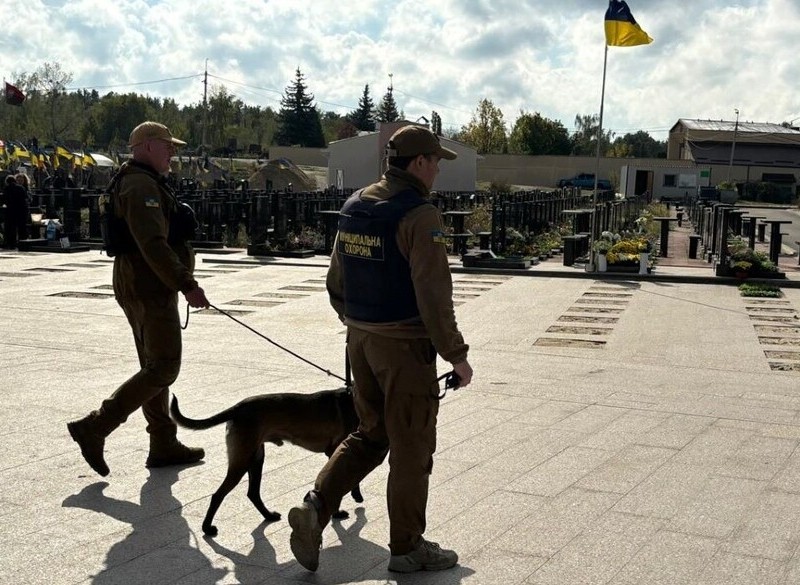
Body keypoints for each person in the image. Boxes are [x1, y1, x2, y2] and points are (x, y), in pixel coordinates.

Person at [288, 125, 473, 573]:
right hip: (404, 348)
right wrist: (456, 355)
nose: (437, 172)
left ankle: (316, 506)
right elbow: (433, 294)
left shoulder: (357, 205)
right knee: (411, 448)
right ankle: (407, 547)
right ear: (419, 163)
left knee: (370, 434)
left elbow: (336, 280)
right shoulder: (419, 215)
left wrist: (356, 323)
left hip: (361, 341)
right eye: (435, 163)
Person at [67, 121, 210, 477]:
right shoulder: (140, 185)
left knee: (154, 367)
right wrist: (185, 283)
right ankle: (95, 427)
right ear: (146, 146)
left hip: (144, 284)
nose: (172, 152)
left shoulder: (140, 181)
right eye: (167, 145)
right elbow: (152, 244)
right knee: (164, 367)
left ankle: (163, 441)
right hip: (148, 287)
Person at [2, 174, 29, 248]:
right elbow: (25, 199)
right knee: (22, 228)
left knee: (11, 229)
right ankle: (23, 243)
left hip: (10, 211)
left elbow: (4, 200)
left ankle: (11, 244)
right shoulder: (21, 188)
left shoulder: (6, 189)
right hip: (22, 210)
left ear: (7, 182)